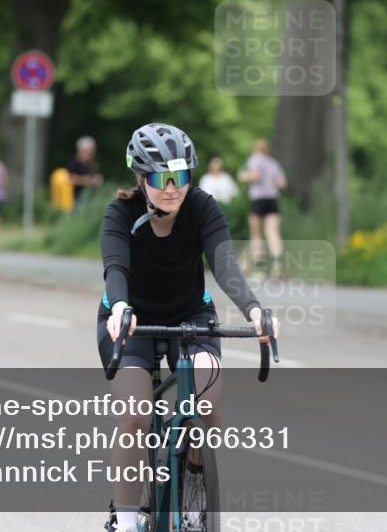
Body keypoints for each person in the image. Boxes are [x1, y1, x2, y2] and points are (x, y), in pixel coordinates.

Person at [98, 123, 279, 532]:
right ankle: (124, 520)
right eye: (160, 178)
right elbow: (116, 269)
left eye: (180, 177)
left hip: (190, 316)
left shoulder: (202, 207)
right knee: (134, 417)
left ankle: (194, 478)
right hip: (130, 319)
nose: (172, 188)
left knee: (207, 406)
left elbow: (226, 266)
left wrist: (253, 310)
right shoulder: (120, 213)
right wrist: (121, 307)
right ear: (140, 178)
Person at [237, 138, 287, 277]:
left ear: (255, 148)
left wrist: (243, 176)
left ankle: (259, 267)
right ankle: (277, 266)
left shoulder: (254, 159)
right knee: (273, 233)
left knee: (256, 234)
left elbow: (255, 175)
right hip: (272, 199)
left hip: (258, 199)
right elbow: (282, 183)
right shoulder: (273, 163)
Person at [68, 136, 104, 207]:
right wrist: (88, 181)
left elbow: (96, 176)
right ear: (82, 150)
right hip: (74, 197)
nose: (92, 154)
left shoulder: (91, 163)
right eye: (90, 151)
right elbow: (69, 179)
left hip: (89, 196)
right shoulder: (74, 162)